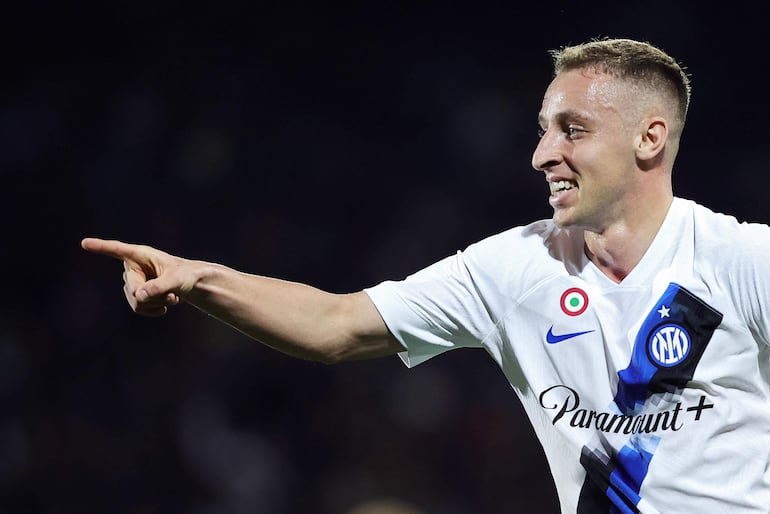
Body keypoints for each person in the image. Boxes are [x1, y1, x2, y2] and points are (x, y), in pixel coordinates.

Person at [82, 37, 770, 513]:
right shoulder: (515, 268)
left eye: (572, 129)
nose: (541, 154)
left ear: (649, 138)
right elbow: (336, 325)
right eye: (542, 129)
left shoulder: (739, 261)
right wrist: (199, 279)